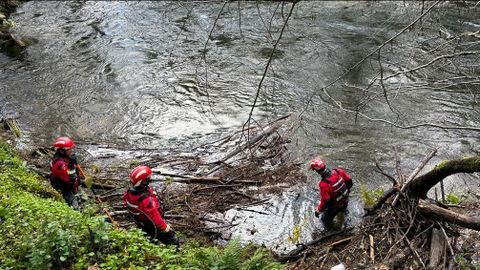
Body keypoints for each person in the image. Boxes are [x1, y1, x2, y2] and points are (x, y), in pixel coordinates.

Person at [123, 165, 179, 247]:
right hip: (152, 224)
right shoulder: (146, 200)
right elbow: (154, 216)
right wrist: (165, 227)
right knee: (171, 239)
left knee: (148, 237)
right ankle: (175, 254)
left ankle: (152, 245)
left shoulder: (129, 193)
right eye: (149, 178)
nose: (150, 179)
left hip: (141, 223)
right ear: (143, 181)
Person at [310, 159, 353, 230]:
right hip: (345, 200)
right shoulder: (338, 171)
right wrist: (346, 192)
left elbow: (326, 200)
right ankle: (347, 226)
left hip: (334, 206)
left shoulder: (323, 184)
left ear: (317, 171)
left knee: (324, 220)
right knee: (344, 213)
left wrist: (318, 210)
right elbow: (350, 182)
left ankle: (332, 232)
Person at [49, 136, 82, 208]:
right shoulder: (60, 164)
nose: (71, 151)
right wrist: (71, 165)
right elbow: (70, 180)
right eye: (69, 149)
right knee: (74, 207)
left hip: (68, 186)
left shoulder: (63, 157)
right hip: (65, 190)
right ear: (62, 151)